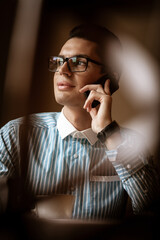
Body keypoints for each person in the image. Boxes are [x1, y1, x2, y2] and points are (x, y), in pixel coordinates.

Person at [0, 24, 159, 220]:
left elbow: (151, 209)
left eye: (78, 62)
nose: (62, 70)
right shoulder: (15, 135)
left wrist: (109, 133)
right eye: (59, 61)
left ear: (110, 77)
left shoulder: (132, 144)